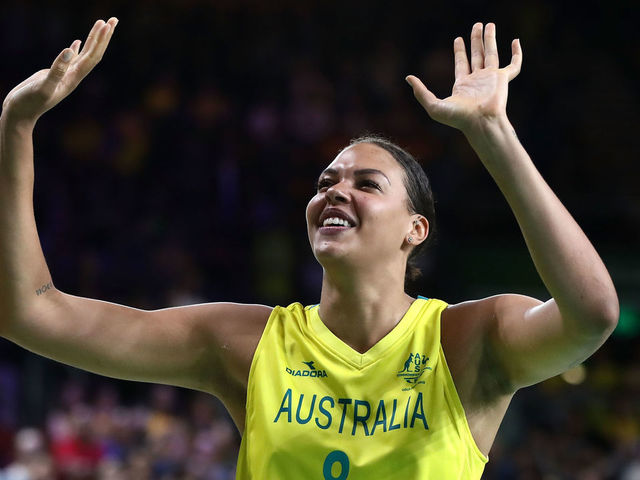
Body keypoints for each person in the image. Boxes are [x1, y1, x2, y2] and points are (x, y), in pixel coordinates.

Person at [0, 18, 619, 479]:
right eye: (325, 182)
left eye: (366, 184)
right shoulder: (246, 344)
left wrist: (492, 135)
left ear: (415, 230)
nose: (335, 192)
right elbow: (29, 312)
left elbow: (592, 314)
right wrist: (15, 126)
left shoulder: (467, 340)